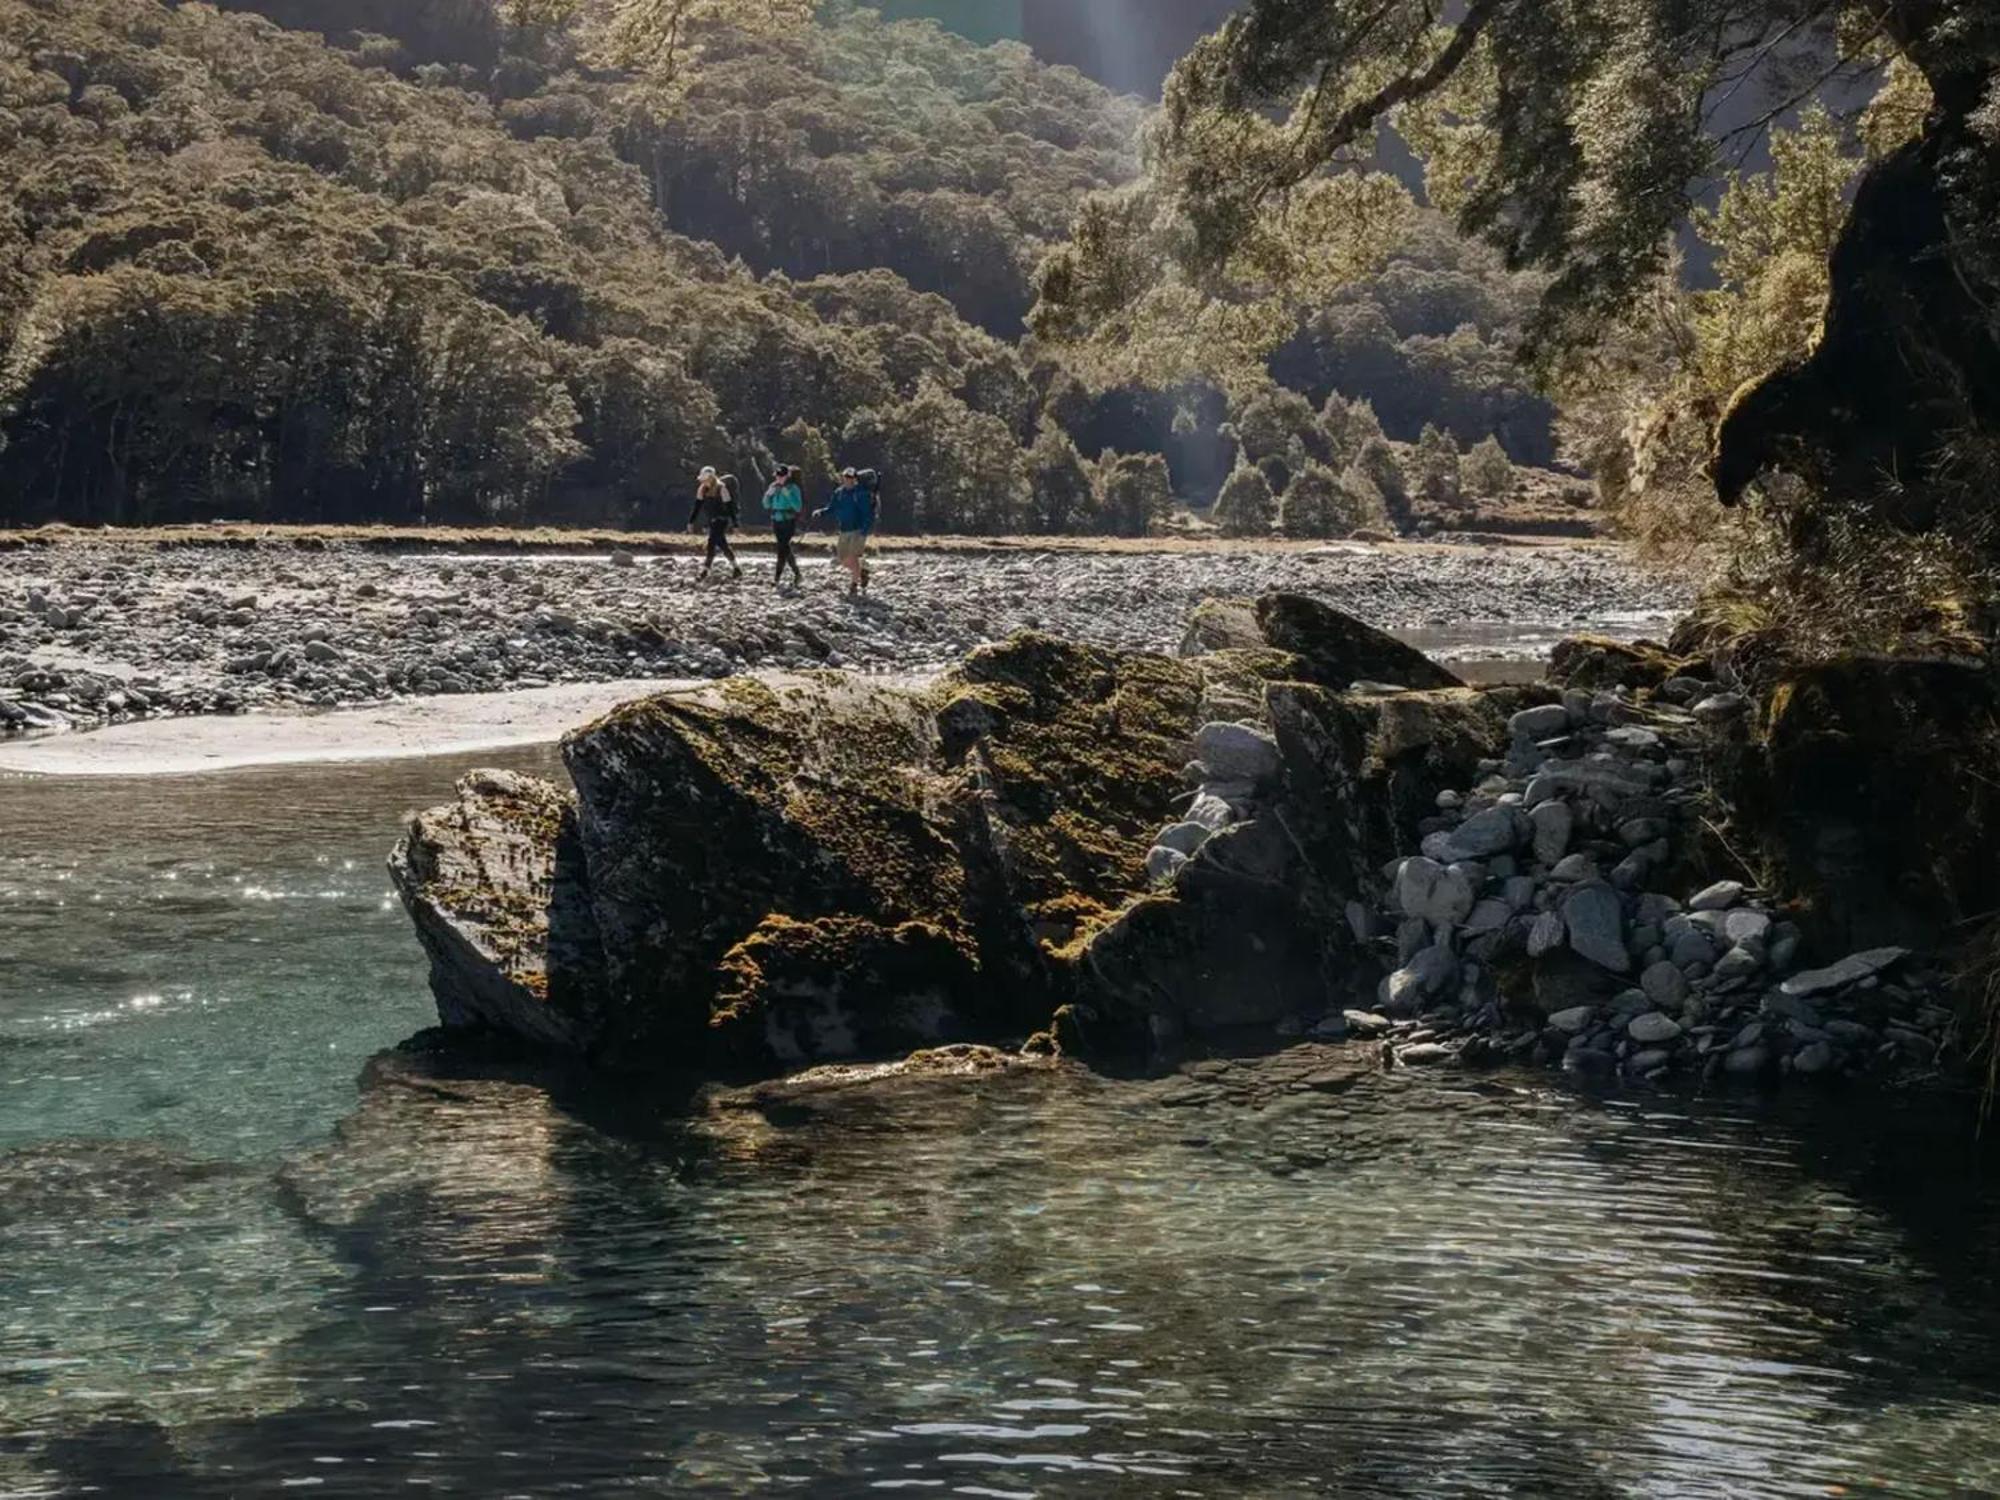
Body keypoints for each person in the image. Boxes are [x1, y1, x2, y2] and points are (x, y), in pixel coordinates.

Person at [820, 466, 876, 597]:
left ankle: (854, 585)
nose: (847, 480)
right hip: (844, 529)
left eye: (850, 477)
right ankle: (862, 571)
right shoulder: (839, 493)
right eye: (846, 477)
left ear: (855, 479)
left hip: (858, 530)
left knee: (853, 557)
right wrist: (821, 512)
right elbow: (832, 507)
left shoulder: (861, 494)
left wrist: (864, 530)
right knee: (843, 559)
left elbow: (868, 514)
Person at [689, 466, 741, 581]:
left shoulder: (722, 488)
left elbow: (730, 507)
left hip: (722, 520)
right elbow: (697, 506)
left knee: (711, 543)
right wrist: (691, 521)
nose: (702, 481)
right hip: (712, 520)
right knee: (723, 545)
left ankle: (704, 571)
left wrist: (735, 524)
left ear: (710, 478)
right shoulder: (702, 489)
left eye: (704, 479)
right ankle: (736, 568)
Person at [762, 464, 805, 591]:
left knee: (782, 547)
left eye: (781, 476)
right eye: (777, 476)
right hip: (776, 520)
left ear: (787, 476)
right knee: (784, 548)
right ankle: (797, 574)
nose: (779, 478)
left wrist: (786, 493)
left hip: (788, 520)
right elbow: (765, 505)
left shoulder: (793, 488)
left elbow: (797, 506)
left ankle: (777, 577)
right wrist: (768, 495)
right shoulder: (773, 487)